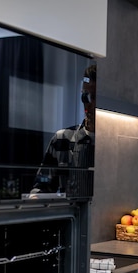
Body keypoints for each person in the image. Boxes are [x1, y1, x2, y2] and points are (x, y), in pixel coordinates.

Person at [31, 64, 96, 195]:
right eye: (85, 96)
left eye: (94, 97)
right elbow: (42, 186)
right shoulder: (62, 139)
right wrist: (35, 198)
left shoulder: (111, 147)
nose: (89, 103)